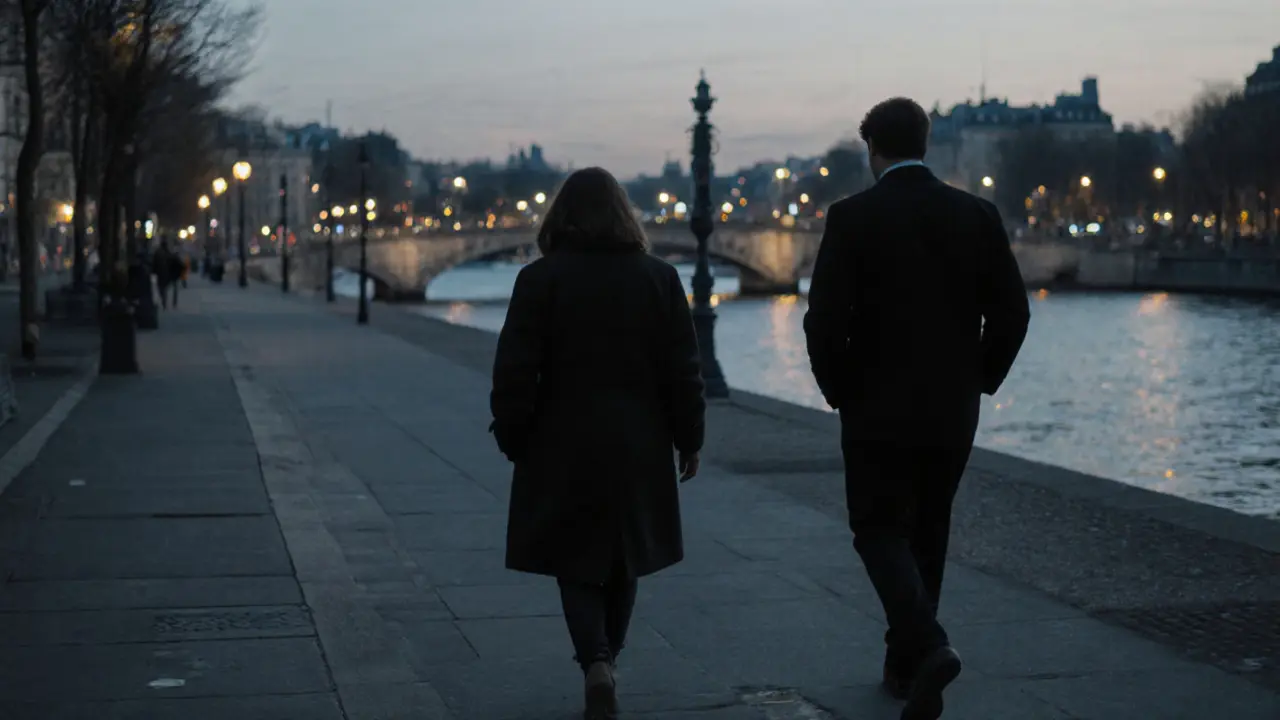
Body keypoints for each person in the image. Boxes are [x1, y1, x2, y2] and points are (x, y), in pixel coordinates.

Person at [803, 98, 1030, 720]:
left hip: (875, 405)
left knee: (876, 528)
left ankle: (927, 647)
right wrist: (979, 378)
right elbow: (1013, 312)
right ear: (926, 144)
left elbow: (823, 322)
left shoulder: (852, 217)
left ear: (872, 149)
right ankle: (905, 670)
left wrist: (839, 389)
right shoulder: (976, 215)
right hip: (951, 409)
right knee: (928, 531)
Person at [490, 167, 706, 720]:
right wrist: (689, 437)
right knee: (625, 554)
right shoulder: (659, 279)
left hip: (560, 439)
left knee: (574, 557)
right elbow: (683, 369)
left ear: (559, 216)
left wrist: (515, 436)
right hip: (639, 439)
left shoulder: (539, 280)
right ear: (624, 215)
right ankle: (608, 661)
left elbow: (514, 372)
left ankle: (595, 661)